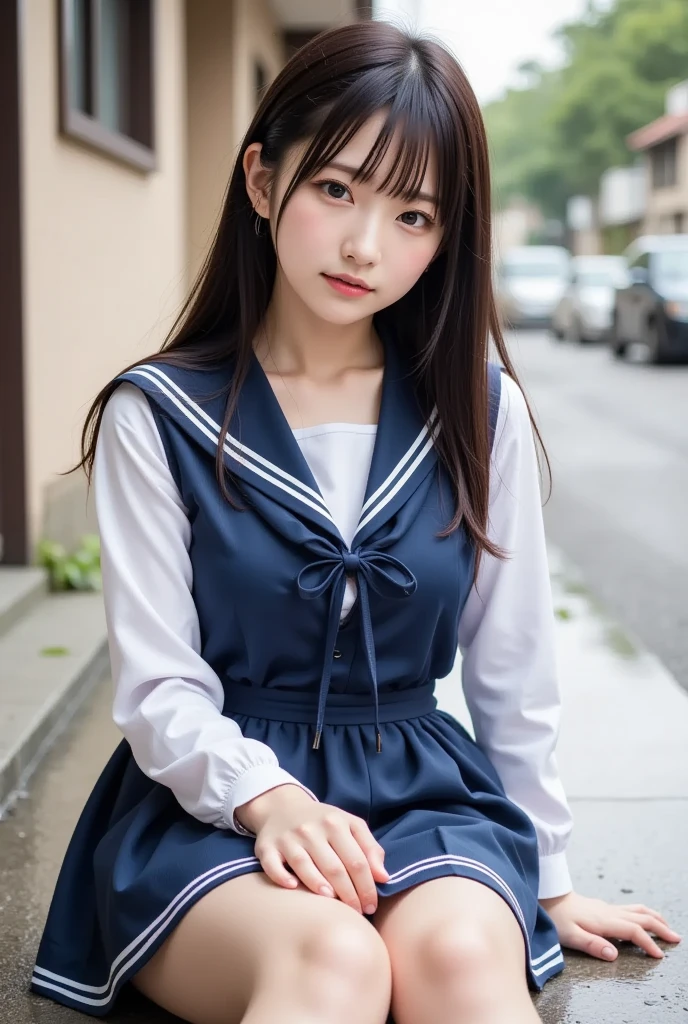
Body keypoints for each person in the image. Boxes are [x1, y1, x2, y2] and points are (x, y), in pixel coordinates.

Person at [31, 20, 680, 1024]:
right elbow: (158, 683)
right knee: (333, 961)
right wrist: (271, 798)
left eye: (414, 214)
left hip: (422, 790)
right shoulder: (156, 414)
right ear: (260, 180)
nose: (364, 246)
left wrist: (549, 881)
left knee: (466, 960)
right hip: (218, 804)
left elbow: (512, 670)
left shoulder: (478, 407)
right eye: (335, 189)